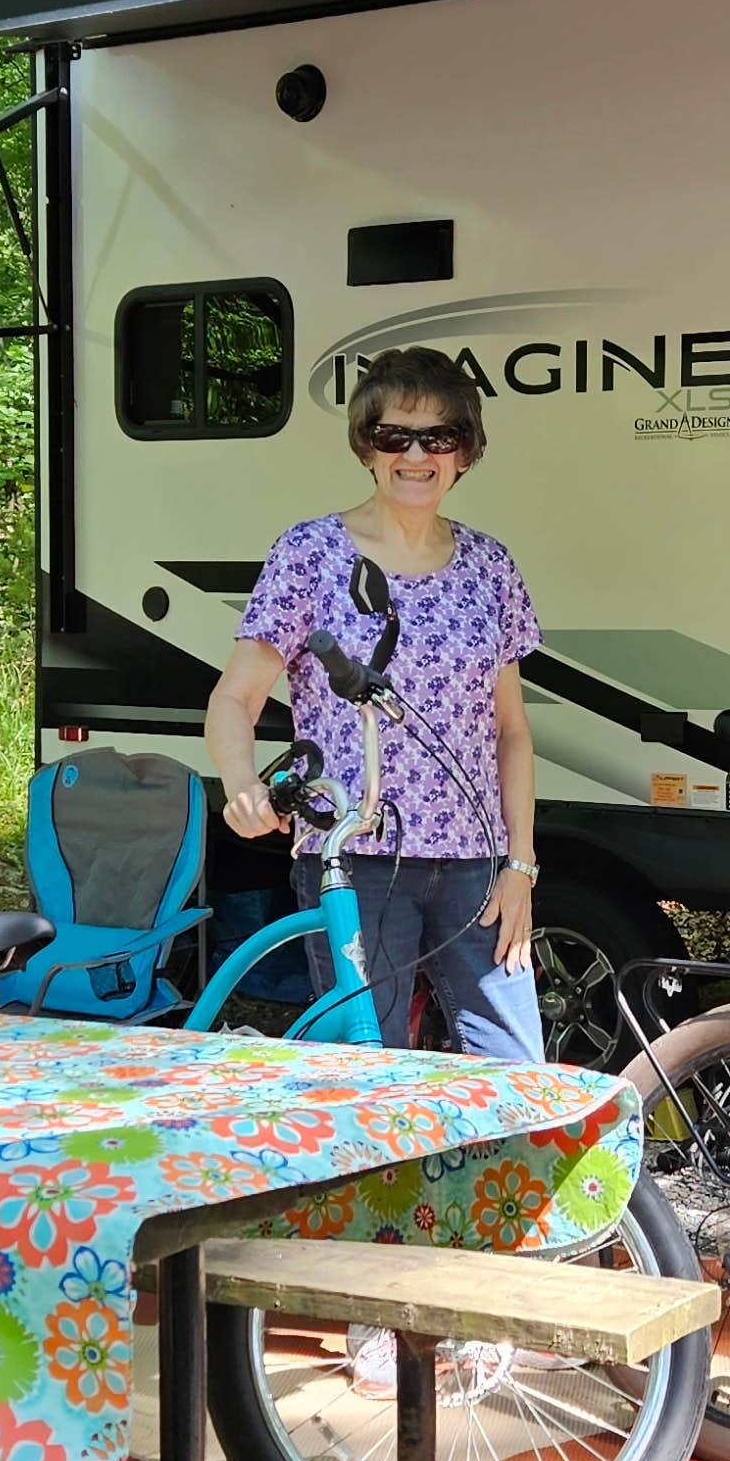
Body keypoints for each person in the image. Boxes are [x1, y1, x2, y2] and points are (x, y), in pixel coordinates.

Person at [205, 347, 547, 1060]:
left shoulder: (491, 566)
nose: (416, 454)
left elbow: (511, 731)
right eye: (395, 436)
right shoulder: (311, 553)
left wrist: (521, 864)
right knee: (373, 1072)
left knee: (517, 1069)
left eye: (438, 436)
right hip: (353, 859)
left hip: (473, 864)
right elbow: (235, 698)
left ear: (464, 452)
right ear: (367, 446)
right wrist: (240, 785)